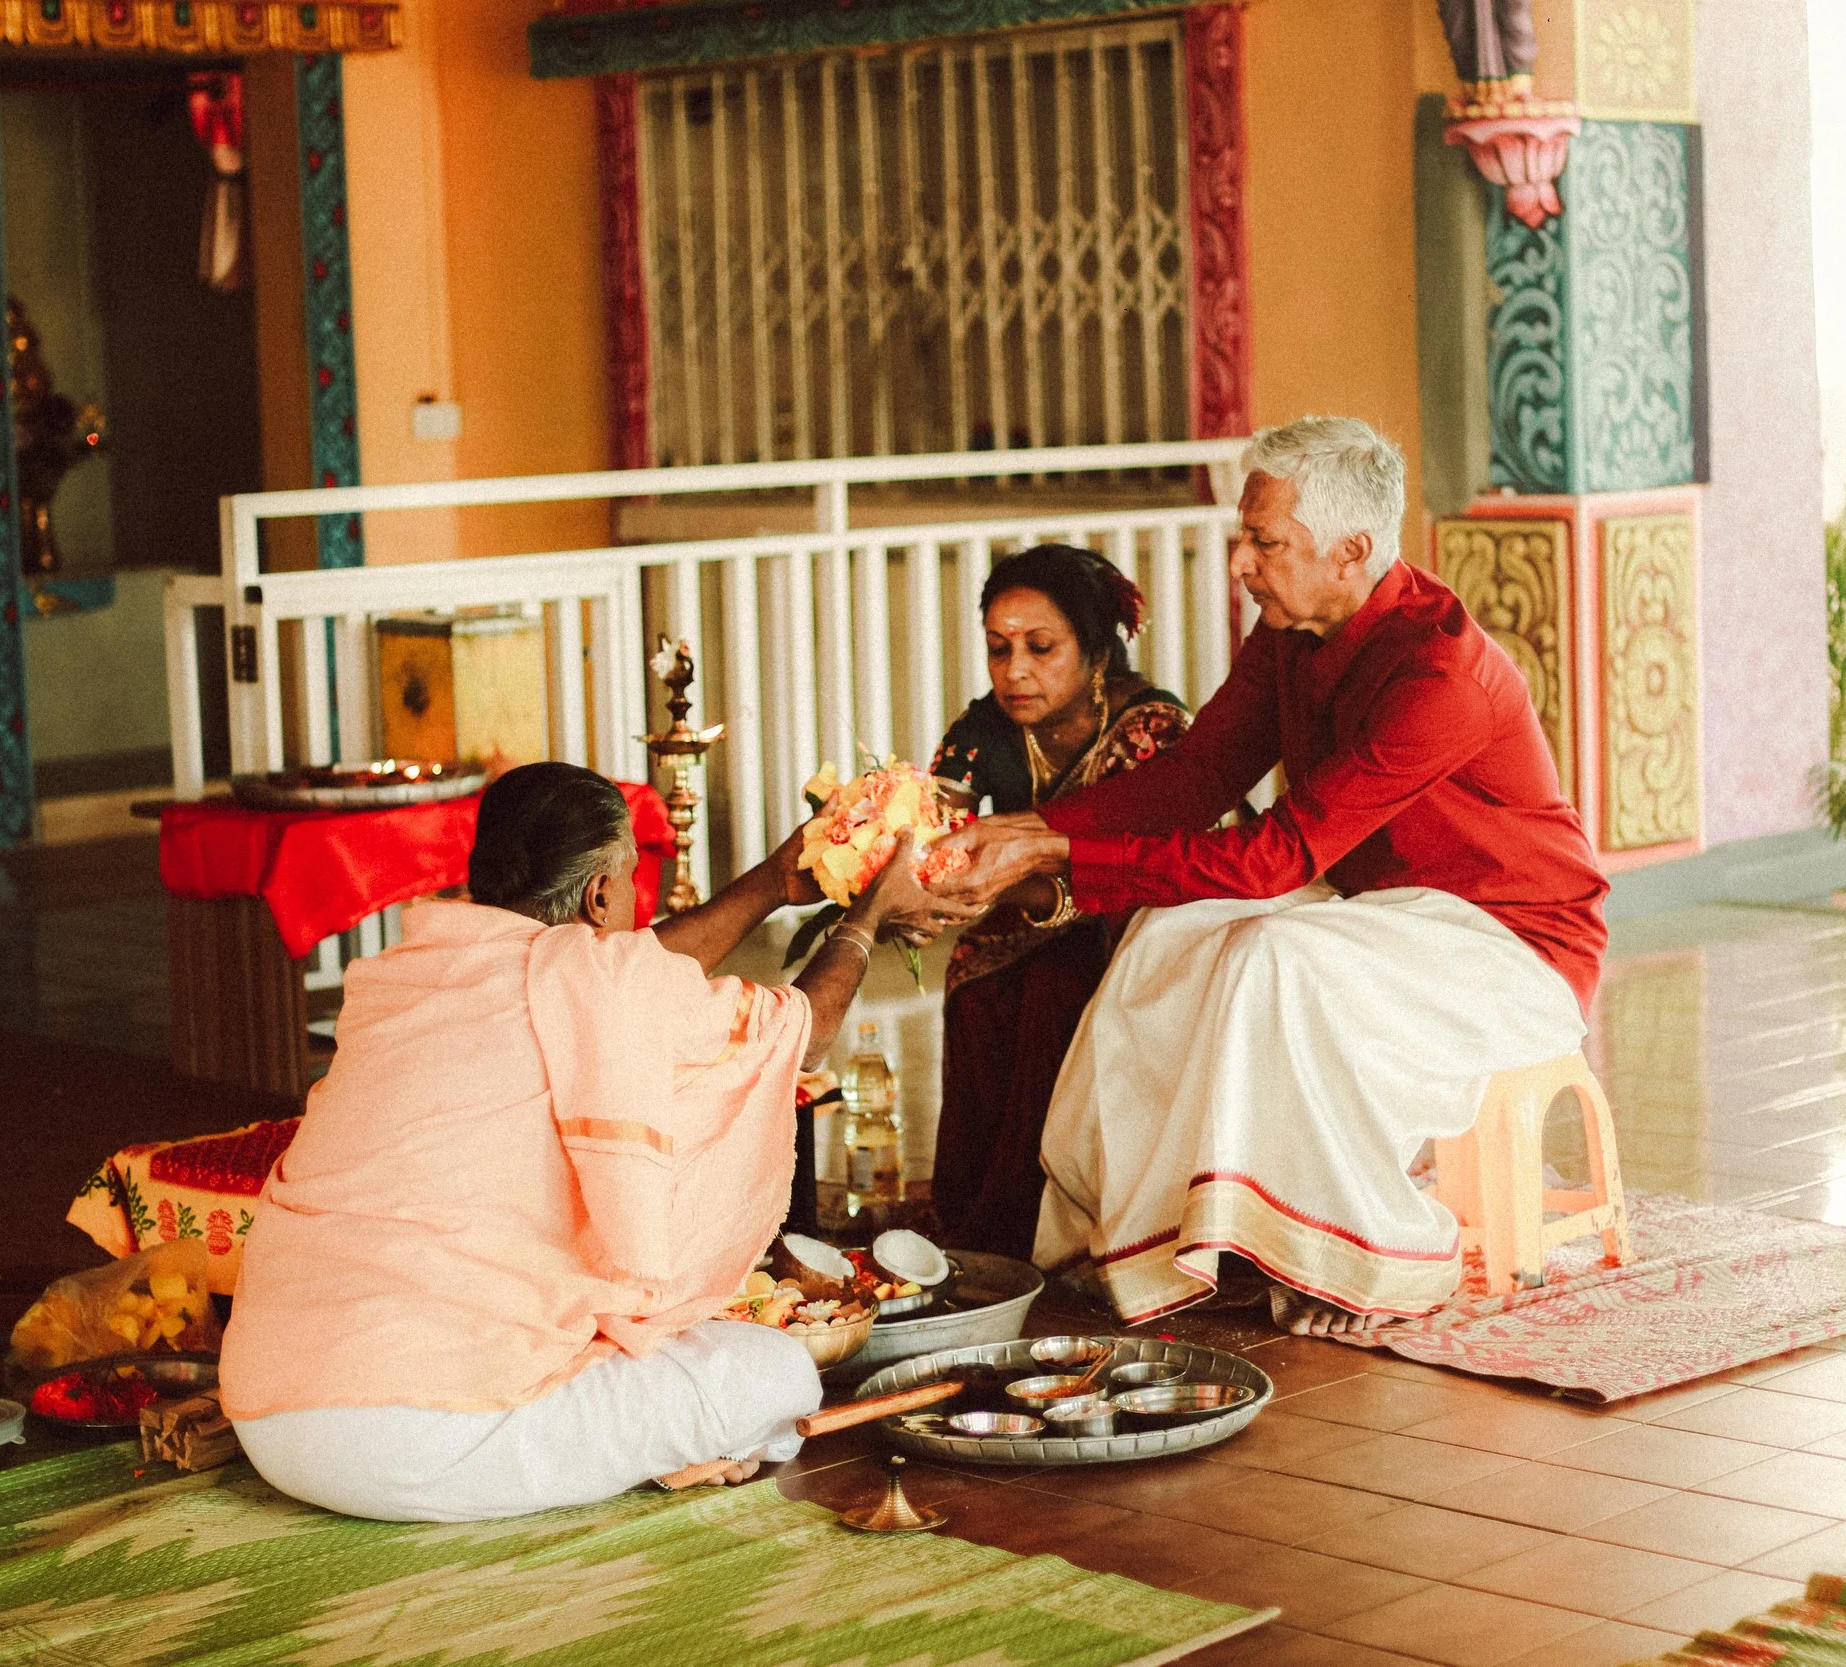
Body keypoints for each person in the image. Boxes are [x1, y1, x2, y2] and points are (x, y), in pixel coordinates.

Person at [929, 416, 1607, 1338]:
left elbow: (1274, 860)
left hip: (1515, 945)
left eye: (1264, 541)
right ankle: (1151, 1235)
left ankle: (1350, 1254)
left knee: (1273, 952)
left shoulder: (1439, 672)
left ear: (1350, 551)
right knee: (1168, 934)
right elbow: (1198, 773)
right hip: (1384, 916)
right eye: (1245, 535)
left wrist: (1060, 856)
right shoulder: (1291, 629)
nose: (1242, 562)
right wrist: (1034, 828)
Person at [221, 762, 960, 1519]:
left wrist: (774, 880)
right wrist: (866, 920)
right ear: (601, 895)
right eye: (629, 882)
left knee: (674, 1359)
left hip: (268, 1413)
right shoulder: (593, 983)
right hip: (419, 1439)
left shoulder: (410, 972)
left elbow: (625, 970)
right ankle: (676, 1450)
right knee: (775, 1378)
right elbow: (803, 1031)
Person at [927, 544, 1189, 1257]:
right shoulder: (986, 728)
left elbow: (1165, 867)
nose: (1016, 671)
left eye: (1041, 648)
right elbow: (931, 828)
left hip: (1137, 922)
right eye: (998, 649)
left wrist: (1027, 882)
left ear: (1097, 651)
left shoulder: (1150, 730)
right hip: (1024, 913)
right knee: (976, 976)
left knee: (1053, 986)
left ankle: (1064, 1229)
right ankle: (983, 1220)